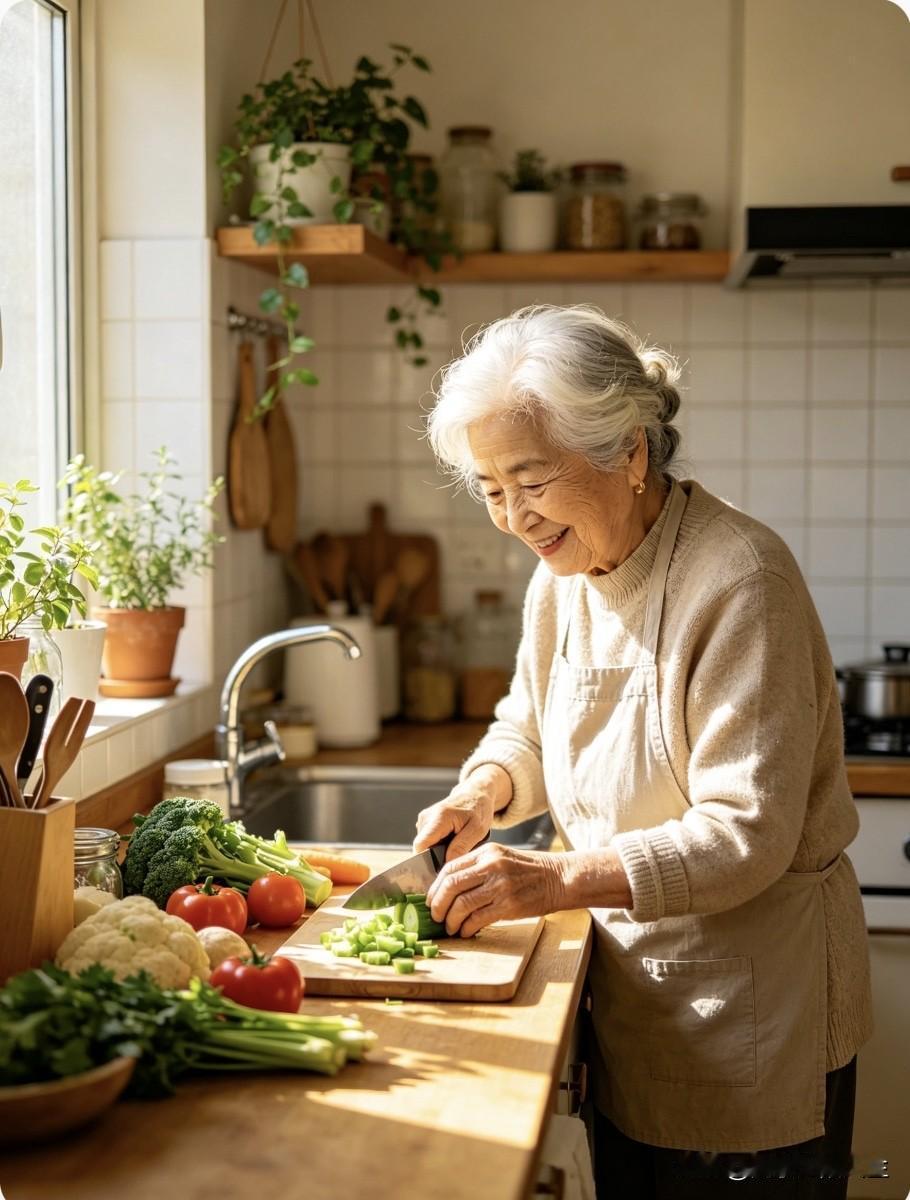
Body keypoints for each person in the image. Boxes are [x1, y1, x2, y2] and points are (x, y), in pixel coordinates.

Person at [414, 305, 872, 1198]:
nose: (513, 518)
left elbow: (745, 833)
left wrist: (554, 880)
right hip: (636, 1000)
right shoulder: (563, 577)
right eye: (491, 488)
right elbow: (528, 725)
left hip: (754, 1018)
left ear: (629, 453)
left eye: (531, 480)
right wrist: (485, 789)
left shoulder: (742, 581)